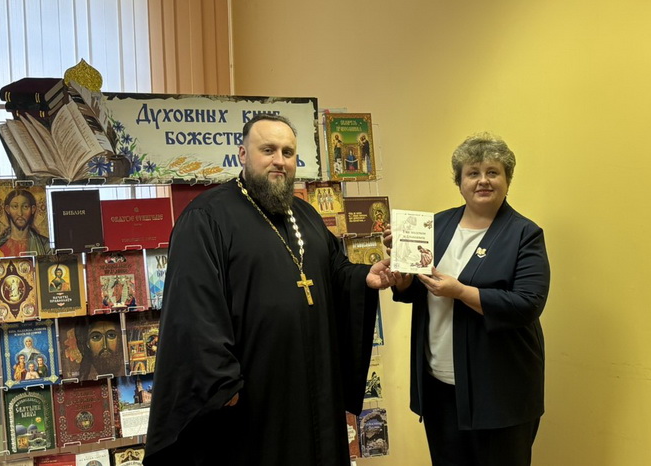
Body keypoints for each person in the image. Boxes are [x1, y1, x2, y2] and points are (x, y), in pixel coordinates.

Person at [144, 114, 398, 466]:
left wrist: (364, 277)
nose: (280, 160)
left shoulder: (305, 215)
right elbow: (192, 310)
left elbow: (334, 271)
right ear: (242, 154)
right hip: (254, 395)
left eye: (288, 152)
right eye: (268, 150)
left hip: (314, 385)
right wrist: (222, 385)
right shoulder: (207, 217)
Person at [386, 133, 550, 466]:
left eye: (493, 172)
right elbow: (420, 290)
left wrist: (461, 292)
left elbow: (528, 304)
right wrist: (403, 281)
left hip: (499, 392)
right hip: (439, 385)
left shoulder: (524, 234)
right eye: (473, 173)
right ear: (459, 183)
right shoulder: (436, 225)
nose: (483, 180)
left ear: (507, 180)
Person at [0, 188, 51, 256]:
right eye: (15, 206)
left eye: (25, 207)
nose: (20, 213)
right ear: (7, 209)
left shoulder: (45, 245)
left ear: (33, 209)